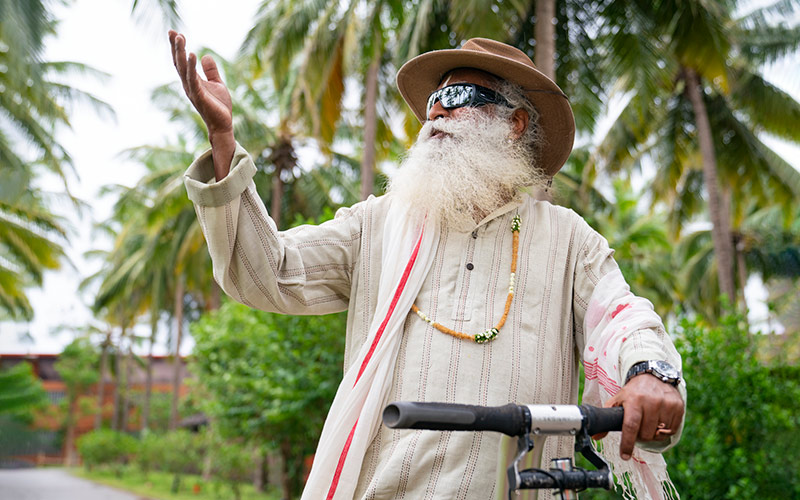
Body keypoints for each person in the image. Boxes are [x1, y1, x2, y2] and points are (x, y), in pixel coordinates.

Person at [169, 31, 686, 500]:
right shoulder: (377, 224)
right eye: (434, 102)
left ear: (515, 124)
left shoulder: (569, 238)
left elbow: (623, 316)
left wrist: (650, 372)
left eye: (458, 99)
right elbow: (269, 272)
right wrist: (223, 142)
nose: (436, 114)